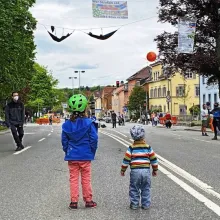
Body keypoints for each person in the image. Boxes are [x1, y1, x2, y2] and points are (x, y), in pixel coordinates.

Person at [61, 94, 98, 210]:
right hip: (85, 155)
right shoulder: (89, 123)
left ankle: (73, 202)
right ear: (85, 108)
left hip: (72, 156)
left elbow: (64, 141)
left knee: (73, 179)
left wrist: (67, 151)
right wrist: (91, 151)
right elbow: (94, 139)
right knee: (86, 179)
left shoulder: (66, 125)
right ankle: (88, 200)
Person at [121, 125, 158, 210]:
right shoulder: (148, 147)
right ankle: (146, 205)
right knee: (146, 188)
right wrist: (155, 169)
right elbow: (153, 159)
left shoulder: (131, 148)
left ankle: (134, 204)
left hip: (135, 171)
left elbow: (126, 160)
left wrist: (123, 170)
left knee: (134, 188)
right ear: (143, 135)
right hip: (146, 171)